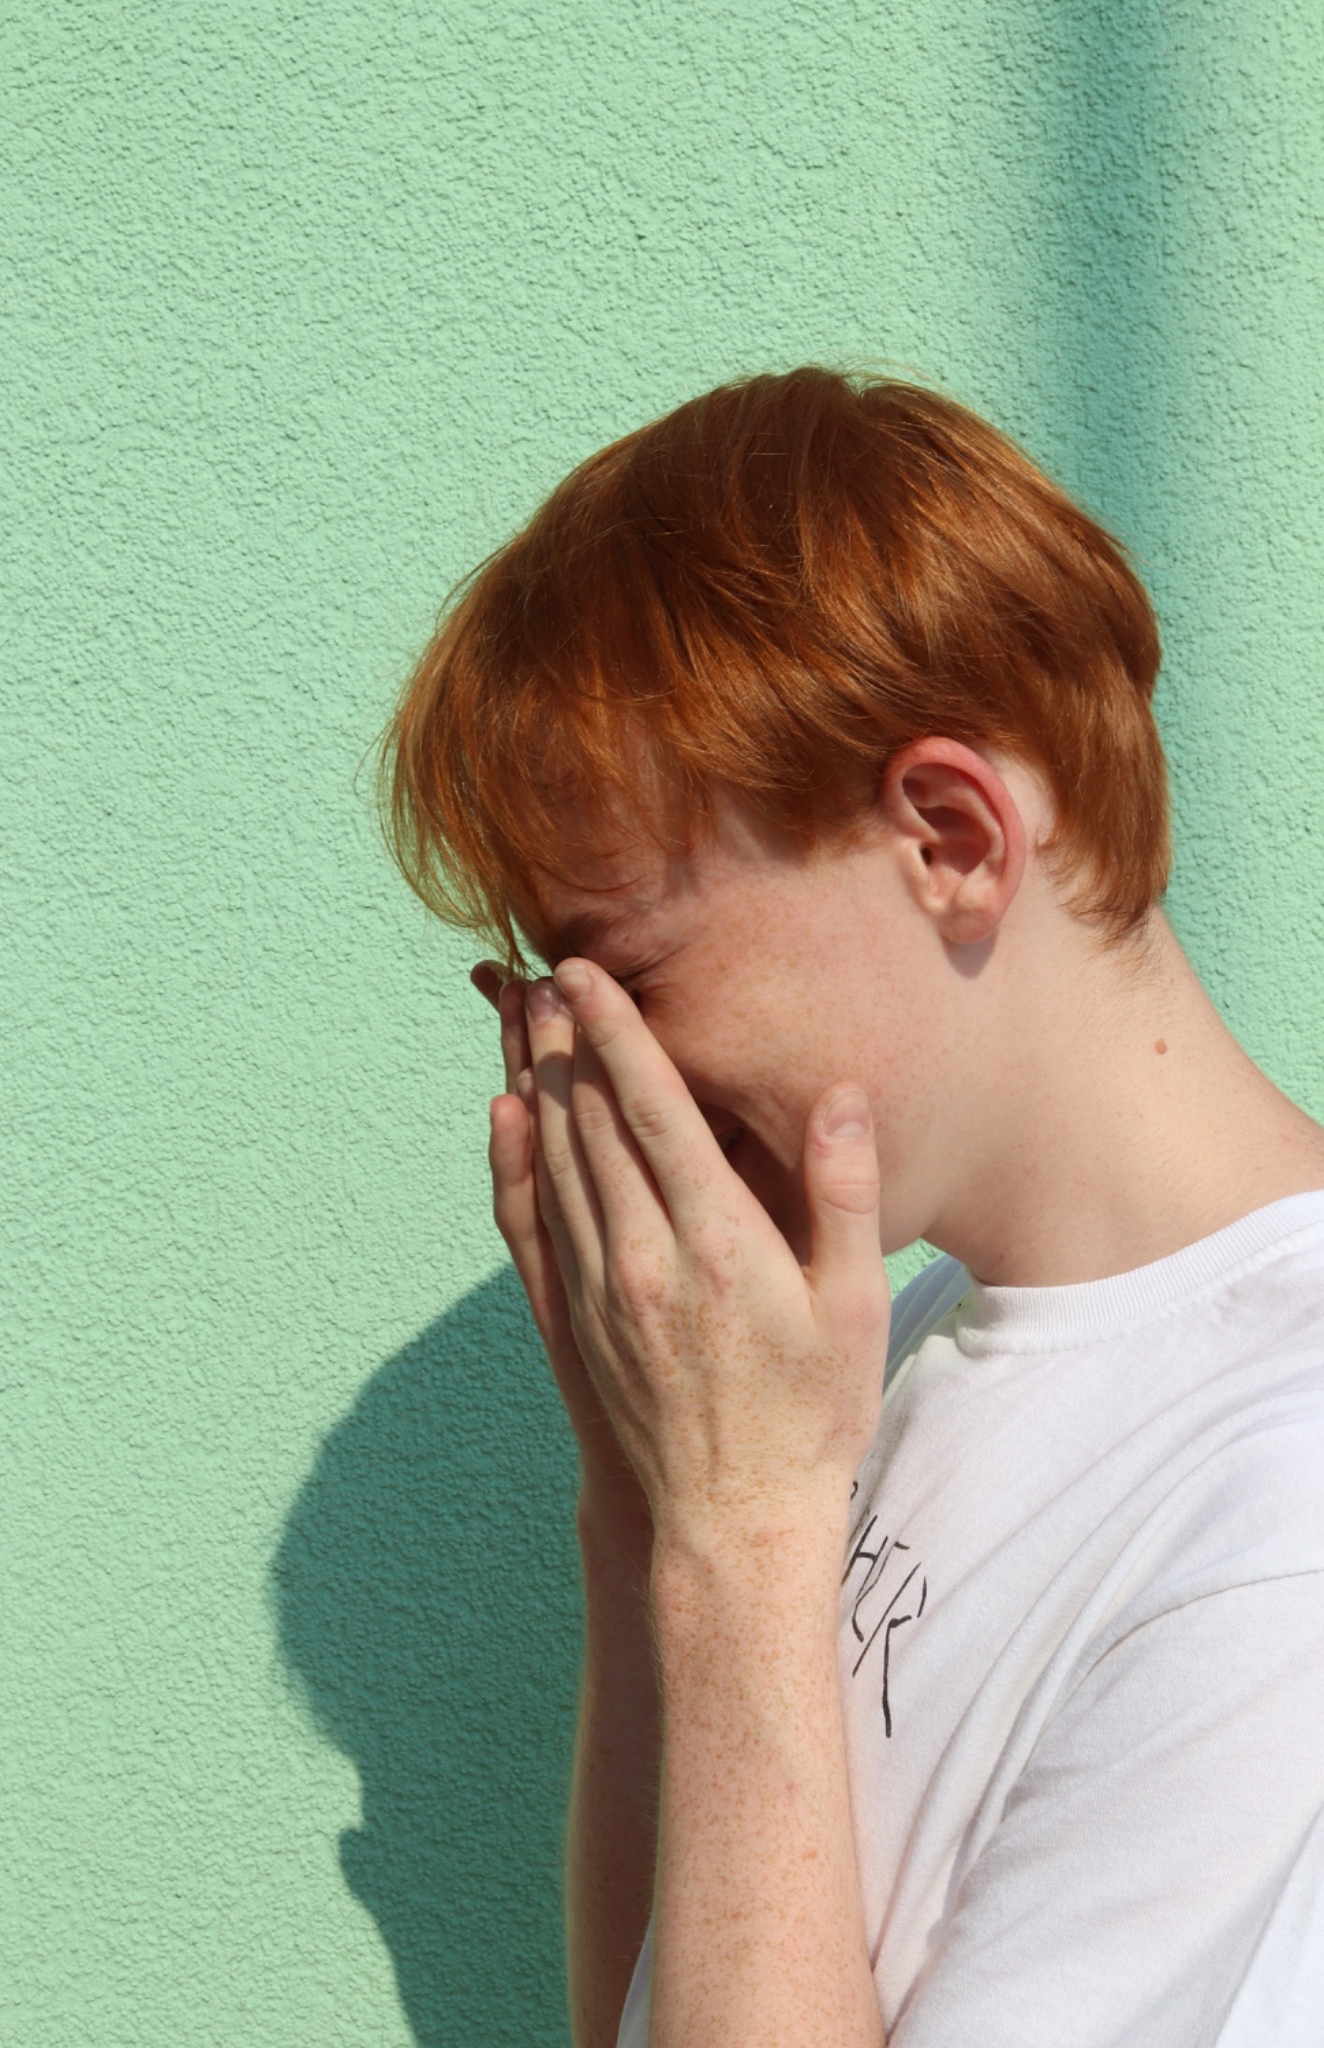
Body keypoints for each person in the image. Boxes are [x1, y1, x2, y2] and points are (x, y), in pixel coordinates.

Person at [378, 368, 1324, 2046]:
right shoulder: (895, 1352)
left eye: (627, 975)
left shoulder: (1278, 1524)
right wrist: (638, 1487)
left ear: (949, 838)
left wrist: (738, 1538)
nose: (603, 1074)